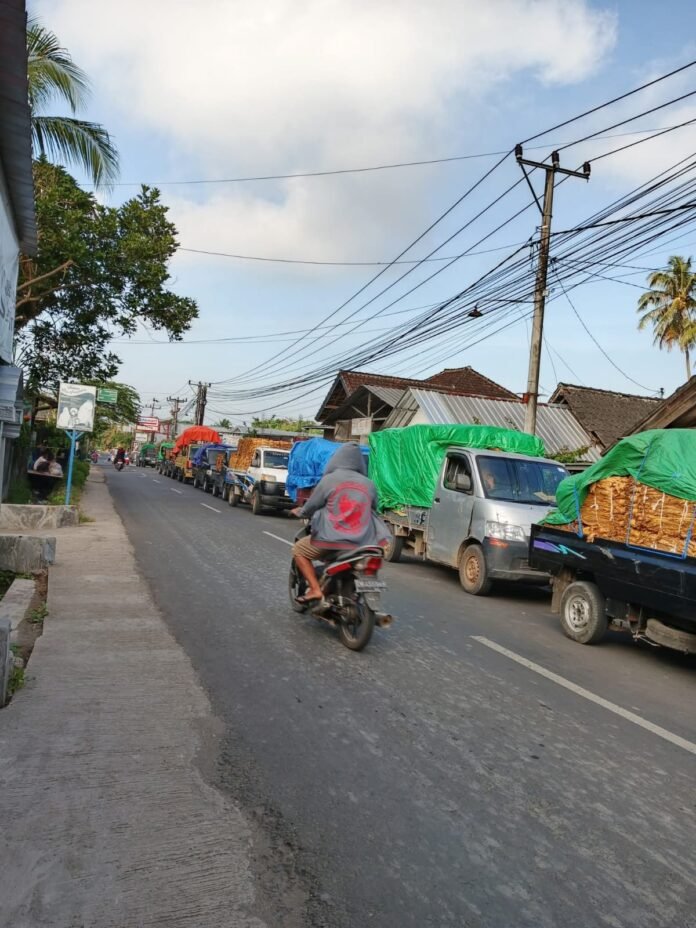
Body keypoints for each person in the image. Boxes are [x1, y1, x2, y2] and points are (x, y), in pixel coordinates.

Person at [291, 443, 388, 604]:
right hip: (363, 543)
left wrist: (299, 512)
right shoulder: (369, 484)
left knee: (299, 549)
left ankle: (315, 589)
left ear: (336, 460)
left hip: (332, 541)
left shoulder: (328, 480)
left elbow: (311, 506)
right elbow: (374, 508)